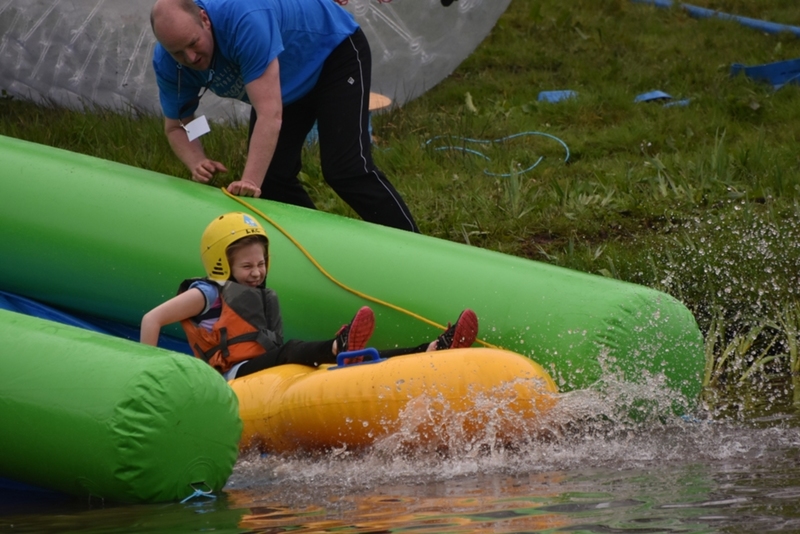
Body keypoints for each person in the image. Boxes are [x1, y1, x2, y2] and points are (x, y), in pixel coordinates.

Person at [149, 0, 419, 233]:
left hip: (332, 53)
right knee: (272, 179)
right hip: (284, 85)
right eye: (178, 52)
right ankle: (319, 247)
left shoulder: (243, 20)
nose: (191, 57)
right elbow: (180, 124)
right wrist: (197, 160)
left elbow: (270, 114)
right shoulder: (169, 63)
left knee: (345, 170)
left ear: (205, 20)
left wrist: (249, 183)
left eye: (193, 43)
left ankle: (415, 248)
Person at [140, 212, 477, 380]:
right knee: (295, 349)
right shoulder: (206, 294)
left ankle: (429, 349)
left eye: (261, 263)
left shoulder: (255, 293)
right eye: (246, 266)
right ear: (221, 263)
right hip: (233, 377)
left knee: (354, 361)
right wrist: (144, 372)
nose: (257, 272)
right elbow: (151, 319)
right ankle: (337, 344)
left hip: (264, 371)